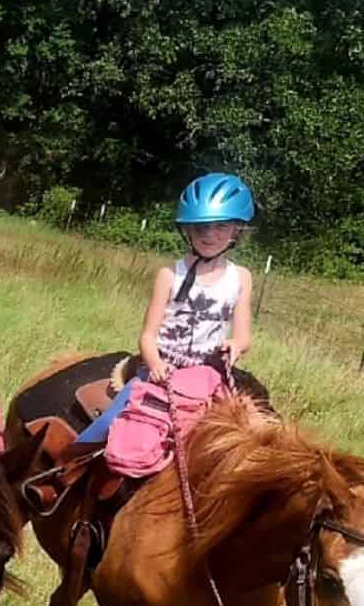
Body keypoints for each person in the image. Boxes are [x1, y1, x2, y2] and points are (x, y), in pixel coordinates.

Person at [71, 171, 255, 447]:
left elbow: (243, 336)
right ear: (188, 229)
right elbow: (147, 335)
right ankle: (70, 463)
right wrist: (156, 365)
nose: (210, 235)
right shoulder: (170, 274)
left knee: (244, 439)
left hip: (208, 375)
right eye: (201, 227)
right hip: (162, 370)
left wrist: (234, 346)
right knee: (110, 424)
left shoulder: (241, 277)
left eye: (221, 226)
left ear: (236, 230)